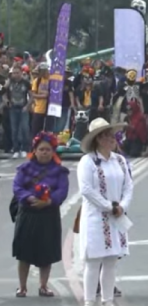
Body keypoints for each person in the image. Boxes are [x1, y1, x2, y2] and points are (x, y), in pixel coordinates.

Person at [77, 118, 133, 306]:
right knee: (93, 261)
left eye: (113, 135)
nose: (113, 139)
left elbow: (128, 186)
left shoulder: (120, 160)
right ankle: (89, 300)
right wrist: (109, 206)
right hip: (95, 217)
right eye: (108, 136)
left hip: (116, 216)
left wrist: (122, 206)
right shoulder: (88, 161)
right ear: (99, 139)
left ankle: (107, 300)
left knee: (111, 260)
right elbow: (86, 189)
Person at [12, 132, 69, 297]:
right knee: (24, 252)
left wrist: (49, 201)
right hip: (28, 213)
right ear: (35, 151)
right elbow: (17, 187)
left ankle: (43, 286)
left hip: (49, 214)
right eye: (41, 149)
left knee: (47, 251)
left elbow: (62, 190)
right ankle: (22, 287)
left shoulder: (60, 171)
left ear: (53, 151)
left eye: (48, 149)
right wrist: (29, 198)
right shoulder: (24, 169)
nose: (45, 152)